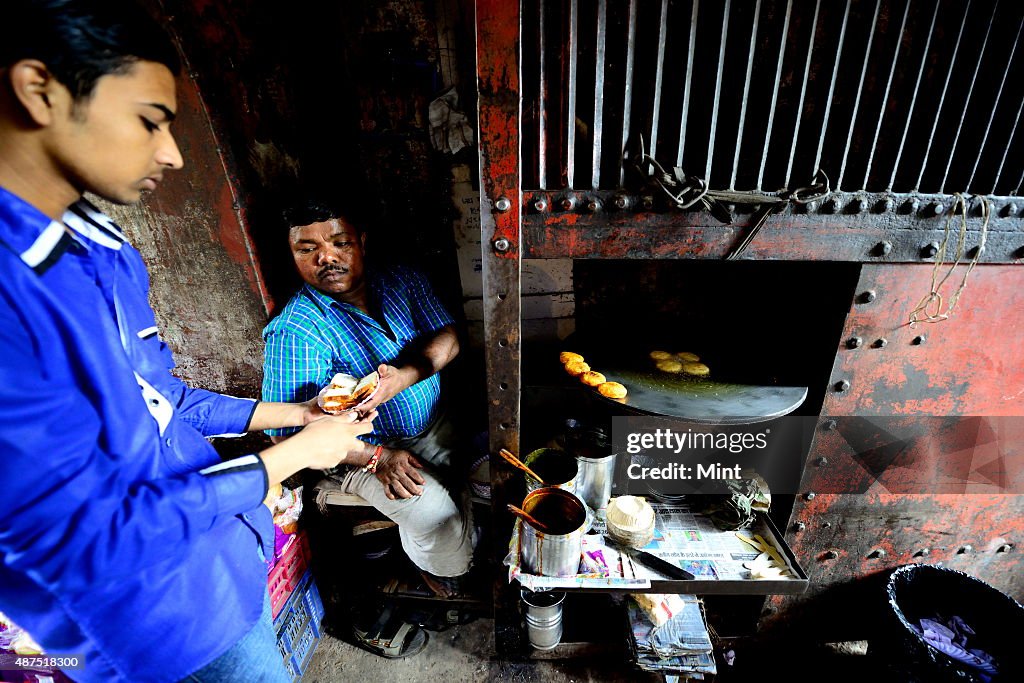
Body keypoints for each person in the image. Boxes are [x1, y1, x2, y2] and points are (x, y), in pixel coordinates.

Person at [0, 2, 374, 682]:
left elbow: (163, 399)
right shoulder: (12, 300)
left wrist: (300, 419)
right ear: (38, 90)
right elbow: (88, 542)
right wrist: (278, 464)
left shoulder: (103, 250)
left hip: (221, 556)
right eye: (149, 120)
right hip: (157, 625)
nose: (171, 152)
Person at [261, 197, 475, 604]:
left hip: (436, 423)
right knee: (438, 518)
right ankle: (436, 570)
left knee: (491, 478)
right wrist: (375, 458)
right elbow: (284, 434)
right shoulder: (295, 329)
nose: (327, 257)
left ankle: (428, 537)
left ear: (361, 241)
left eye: (340, 243)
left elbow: (448, 336)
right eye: (308, 249)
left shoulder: (400, 279)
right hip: (363, 454)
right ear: (293, 256)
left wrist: (406, 376)